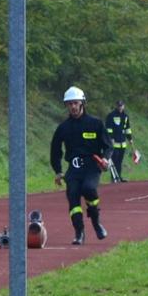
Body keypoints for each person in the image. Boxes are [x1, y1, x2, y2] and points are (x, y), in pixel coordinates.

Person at [49, 87, 110, 245]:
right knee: (73, 197)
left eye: (75, 103)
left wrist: (105, 159)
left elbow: (108, 145)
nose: (73, 107)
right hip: (74, 169)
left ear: (82, 103)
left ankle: (96, 223)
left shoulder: (95, 124)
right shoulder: (63, 127)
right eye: (69, 104)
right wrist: (58, 171)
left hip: (92, 166)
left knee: (89, 188)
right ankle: (79, 233)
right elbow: (55, 150)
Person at [105, 101, 137, 183]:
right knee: (114, 161)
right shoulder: (111, 116)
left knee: (119, 161)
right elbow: (108, 128)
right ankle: (114, 178)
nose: (120, 107)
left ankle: (119, 177)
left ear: (124, 106)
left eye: (121, 106)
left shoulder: (125, 116)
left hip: (122, 143)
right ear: (116, 106)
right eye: (119, 106)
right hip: (114, 143)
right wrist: (111, 138)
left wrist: (130, 139)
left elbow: (127, 129)